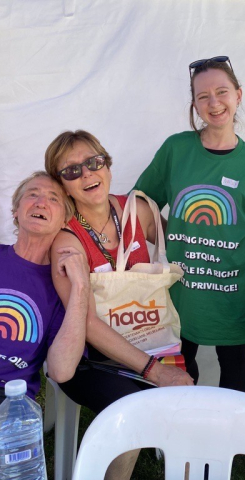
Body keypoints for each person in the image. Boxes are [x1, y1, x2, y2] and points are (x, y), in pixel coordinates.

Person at [134, 56, 245, 392]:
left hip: (235, 286)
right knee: (182, 359)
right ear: (195, 104)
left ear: (238, 95)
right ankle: (181, 429)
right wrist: (168, 233)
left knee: (233, 362)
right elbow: (141, 201)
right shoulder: (176, 149)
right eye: (203, 96)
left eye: (222, 92)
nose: (214, 103)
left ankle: (230, 435)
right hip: (187, 286)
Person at [44, 130, 193, 480]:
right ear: (62, 184)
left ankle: (184, 467)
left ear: (108, 165)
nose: (86, 174)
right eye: (71, 171)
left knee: (190, 391)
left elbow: (185, 247)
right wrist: (155, 371)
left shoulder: (138, 210)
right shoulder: (66, 241)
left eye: (94, 162)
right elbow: (88, 324)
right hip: (88, 359)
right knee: (131, 406)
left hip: (150, 338)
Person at [0, 171, 89, 403]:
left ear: (64, 221)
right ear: (15, 212)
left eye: (53, 199)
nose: (41, 202)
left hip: (8, 398)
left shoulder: (61, 287)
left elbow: (62, 370)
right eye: (33, 194)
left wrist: (80, 286)